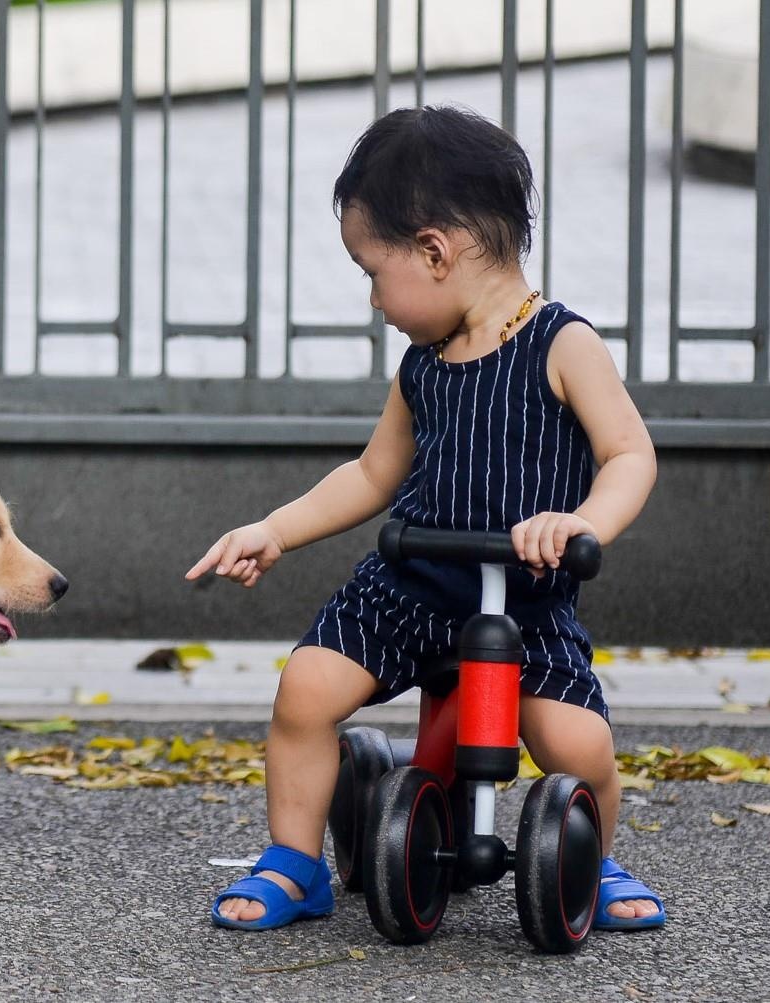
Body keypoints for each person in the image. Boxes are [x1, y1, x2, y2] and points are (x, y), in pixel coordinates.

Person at [189, 105, 664, 933]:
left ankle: (590, 853)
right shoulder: (423, 364)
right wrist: (275, 528)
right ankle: (295, 861)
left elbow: (630, 454)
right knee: (305, 689)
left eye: (372, 271)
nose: (374, 298)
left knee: (578, 746)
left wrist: (577, 521)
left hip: (523, 602)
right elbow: (374, 472)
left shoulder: (563, 344)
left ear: (434, 250)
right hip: (409, 584)